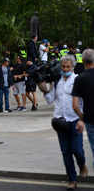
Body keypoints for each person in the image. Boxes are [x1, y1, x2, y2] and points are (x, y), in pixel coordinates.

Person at [42, 54, 87, 190]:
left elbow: (84, 102)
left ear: (73, 67)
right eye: (63, 66)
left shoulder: (79, 80)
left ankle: (82, 164)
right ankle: (72, 180)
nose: (65, 69)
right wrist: (43, 88)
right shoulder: (57, 82)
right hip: (60, 121)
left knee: (77, 150)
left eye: (68, 67)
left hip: (75, 121)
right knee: (66, 152)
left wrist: (82, 119)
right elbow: (50, 100)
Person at [72, 49, 94, 171]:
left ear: (83, 61)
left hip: (91, 119)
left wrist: (82, 117)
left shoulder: (80, 79)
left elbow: (75, 105)